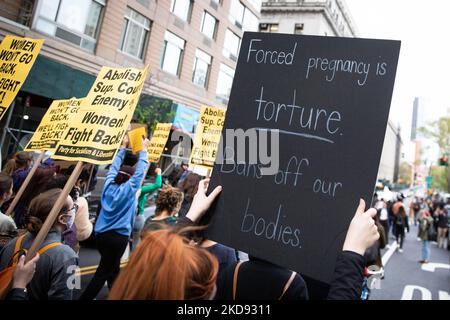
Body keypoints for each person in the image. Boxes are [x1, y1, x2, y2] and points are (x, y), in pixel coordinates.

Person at [109, 178, 222, 300]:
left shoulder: (149, 224)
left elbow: (160, 253)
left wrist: (193, 214)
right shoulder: (167, 226)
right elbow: (164, 253)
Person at [80, 135, 149, 300]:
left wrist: (122, 148)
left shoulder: (109, 185)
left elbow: (113, 168)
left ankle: (115, 294)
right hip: (118, 238)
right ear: (130, 179)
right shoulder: (129, 190)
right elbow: (139, 174)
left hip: (101, 236)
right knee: (102, 273)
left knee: (113, 267)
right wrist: (144, 151)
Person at [0, 189, 78, 300]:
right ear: (62, 218)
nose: (75, 210)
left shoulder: (12, 242)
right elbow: (68, 295)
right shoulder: (68, 256)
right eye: (73, 208)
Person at [132, 167, 162, 249]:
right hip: (137, 217)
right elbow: (157, 185)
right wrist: (159, 172)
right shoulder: (140, 189)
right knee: (136, 242)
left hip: (127, 217)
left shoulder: (125, 187)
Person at [0, 173, 17, 250]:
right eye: (11, 188)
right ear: (5, 194)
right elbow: (8, 248)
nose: (11, 191)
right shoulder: (6, 221)